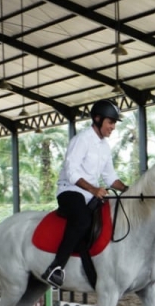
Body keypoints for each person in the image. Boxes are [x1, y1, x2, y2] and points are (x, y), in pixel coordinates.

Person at [41, 99, 129, 288]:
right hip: (70, 191)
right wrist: (93, 189)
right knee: (82, 220)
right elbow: (72, 171)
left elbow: (110, 177)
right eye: (110, 122)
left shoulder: (105, 146)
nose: (113, 127)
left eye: (114, 123)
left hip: (92, 194)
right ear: (97, 119)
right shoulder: (81, 140)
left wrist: (128, 190)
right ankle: (56, 267)